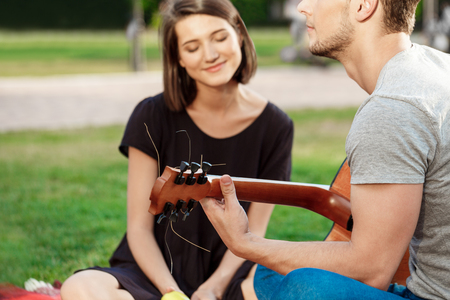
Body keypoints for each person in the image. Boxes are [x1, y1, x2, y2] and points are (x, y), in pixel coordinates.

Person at [200, 0, 450, 299]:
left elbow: (372, 271)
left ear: (363, 6)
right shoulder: (436, 66)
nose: (303, 7)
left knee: (304, 287)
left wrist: (245, 243)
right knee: (271, 271)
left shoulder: (392, 110)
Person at [60, 0, 294, 300]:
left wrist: (213, 288)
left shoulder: (277, 126)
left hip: (229, 274)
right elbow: (139, 230)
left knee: (281, 289)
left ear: (238, 33)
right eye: (192, 47)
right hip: (155, 272)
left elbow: (254, 233)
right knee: (80, 288)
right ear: (179, 58)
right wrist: (171, 293)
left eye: (220, 38)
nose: (210, 55)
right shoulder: (151, 115)